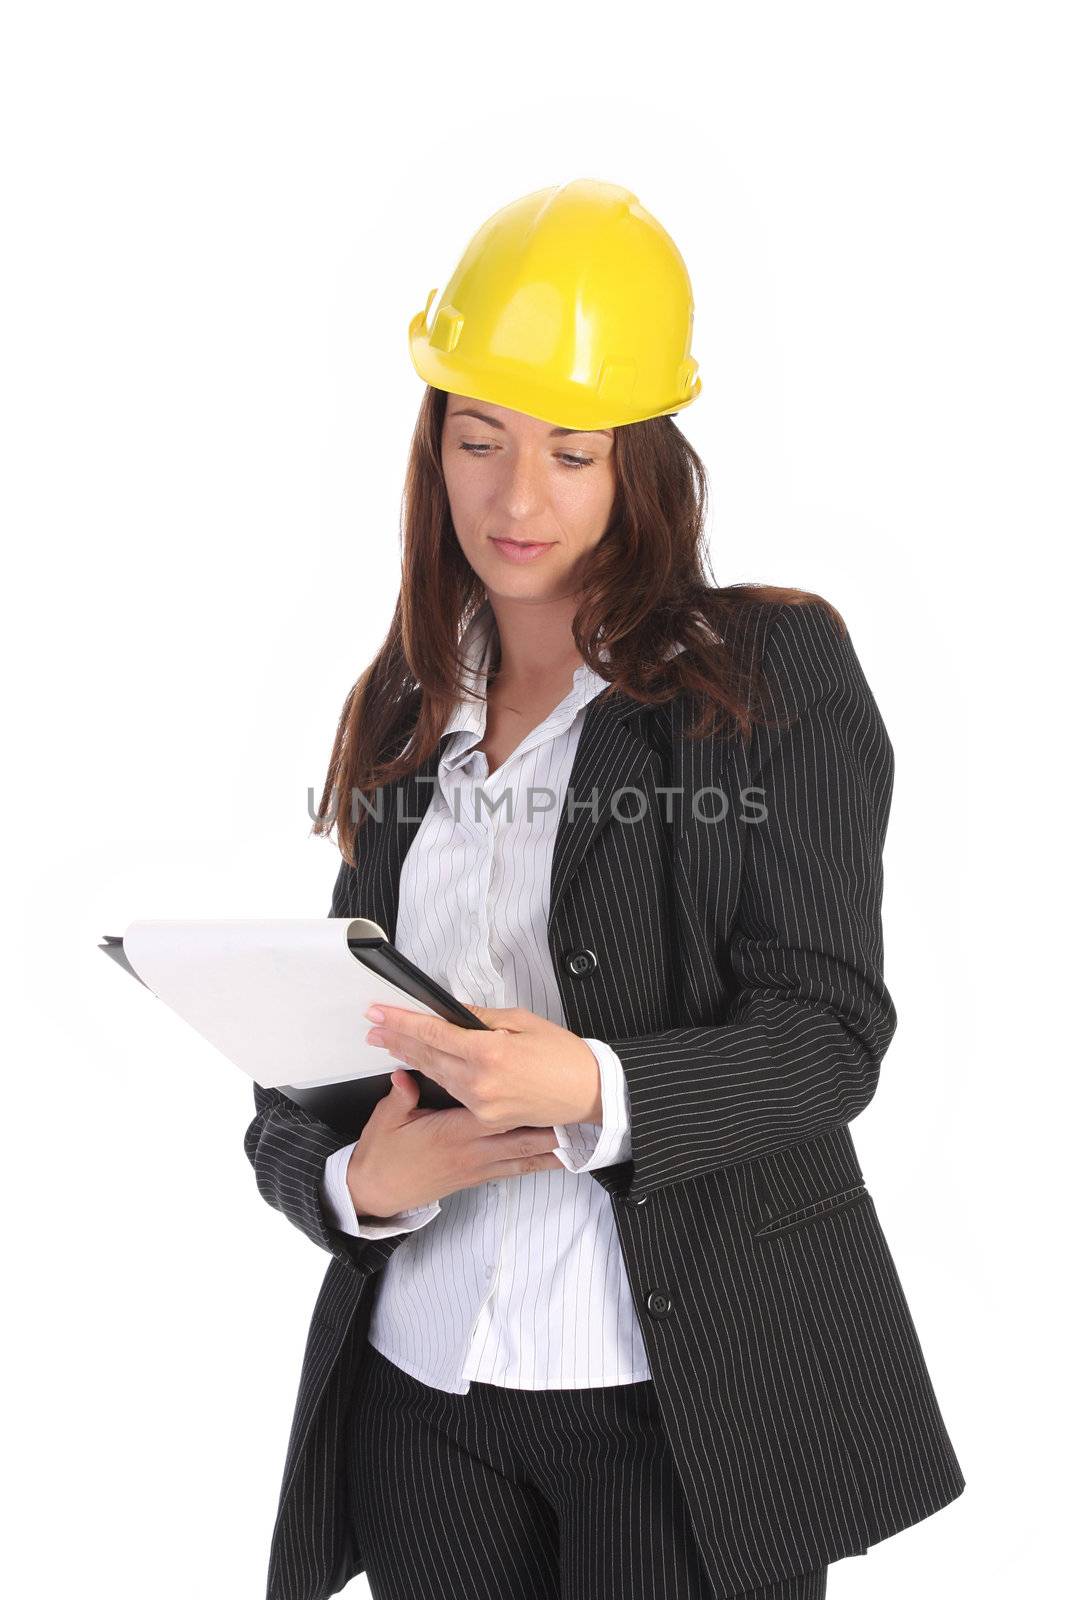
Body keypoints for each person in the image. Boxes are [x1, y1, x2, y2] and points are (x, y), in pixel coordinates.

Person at [245, 179, 965, 1600]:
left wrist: (590, 1087)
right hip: (420, 1393)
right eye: (480, 439)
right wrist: (350, 1183)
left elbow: (829, 1035)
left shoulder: (766, 678)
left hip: (678, 1408)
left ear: (640, 460)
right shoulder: (401, 713)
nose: (519, 497)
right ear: (431, 447)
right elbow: (331, 1060)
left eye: (572, 451)